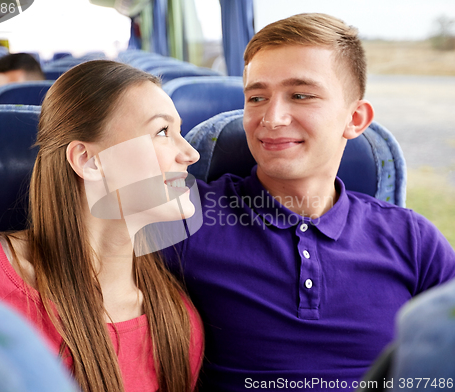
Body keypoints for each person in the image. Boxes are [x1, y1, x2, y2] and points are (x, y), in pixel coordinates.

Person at [162, 13, 455, 391]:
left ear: (354, 118)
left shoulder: (412, 239)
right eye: (256, 97)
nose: (272, 117)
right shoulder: (185, 212)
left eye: (300, 95)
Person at [0, 60, 203, 392]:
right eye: (162, 132)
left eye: (180, 133)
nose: (190, 153)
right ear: (88, 161)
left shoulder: (177, 322)